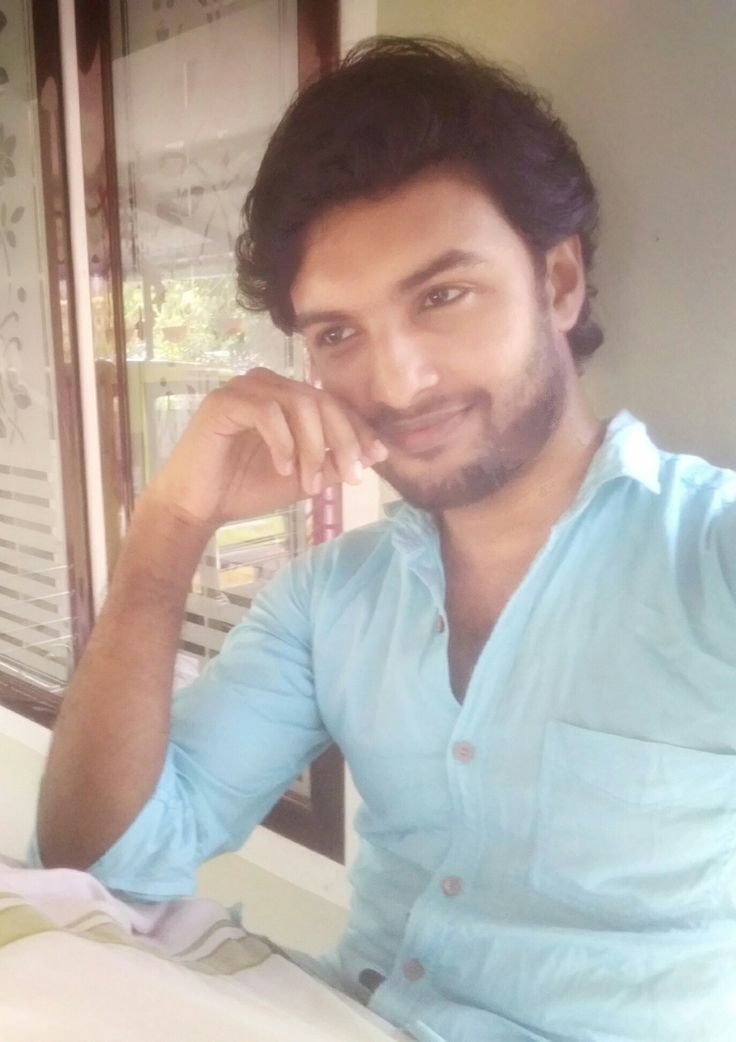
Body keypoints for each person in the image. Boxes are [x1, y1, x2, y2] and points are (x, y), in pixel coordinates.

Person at [36, 37, 736, 1042]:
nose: (397, 382)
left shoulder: (708, 558)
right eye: (337, 334)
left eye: (441, 295)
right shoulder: (331, 599)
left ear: (558, 281)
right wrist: (170, 525)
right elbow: (102, 869)